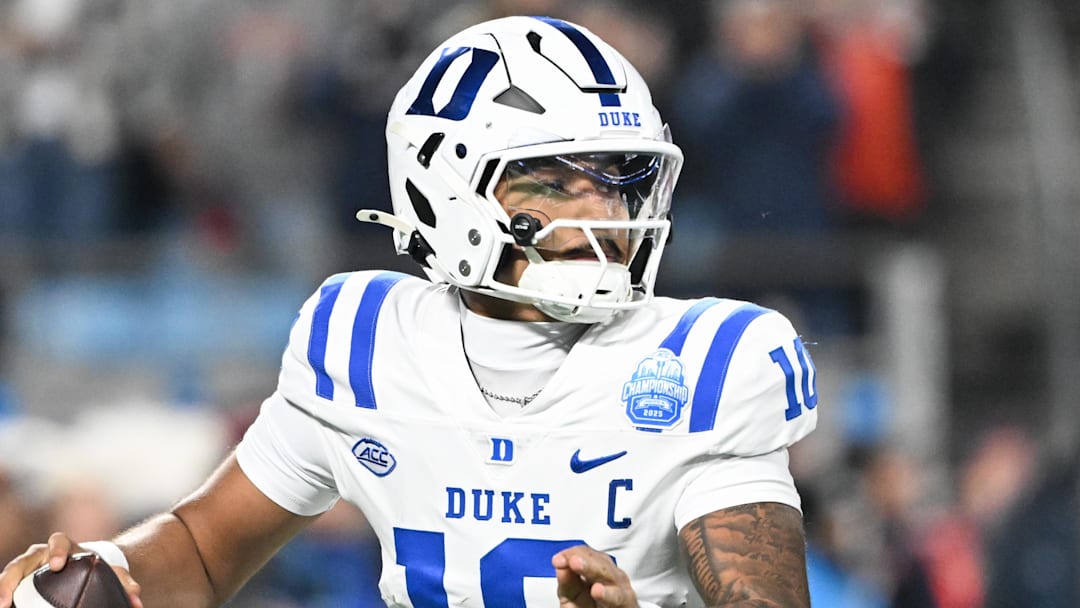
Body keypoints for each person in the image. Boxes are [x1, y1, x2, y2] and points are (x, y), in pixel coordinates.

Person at [0, 16, 818, 608]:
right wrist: (106, 575)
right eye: (552, 181)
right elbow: (203, 552)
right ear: (447, 189)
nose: (601, 214)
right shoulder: (363, 341)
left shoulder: (709, 363)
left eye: (616, 180)